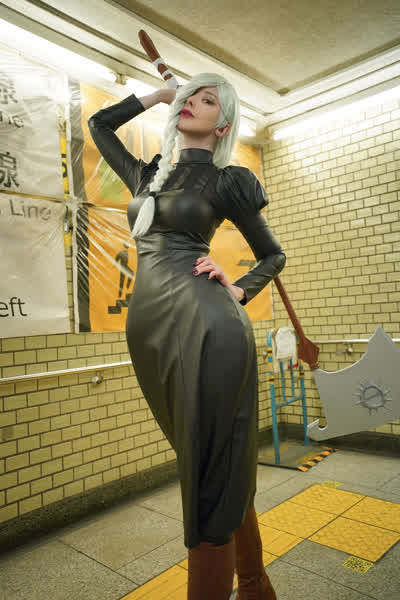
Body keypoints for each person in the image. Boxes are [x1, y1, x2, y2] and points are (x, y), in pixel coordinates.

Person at [88, 72, 285, 600]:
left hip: (207, 324)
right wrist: (156, 95)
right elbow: (100, 124)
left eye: (208, 100)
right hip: (150, 329)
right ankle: (255, 585)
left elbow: (273, 254)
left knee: (208, 469)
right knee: (209, 461)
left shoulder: (227, 181)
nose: (193, 103)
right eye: (189, 96)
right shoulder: (147, 176)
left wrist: (239, 288)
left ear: (223, 127)